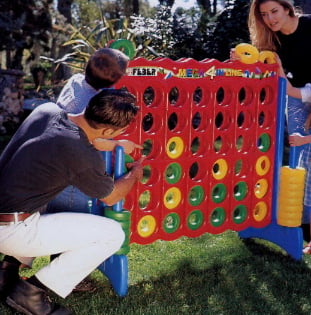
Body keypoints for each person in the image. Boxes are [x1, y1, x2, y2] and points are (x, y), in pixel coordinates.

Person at [0, 88, 144, 314]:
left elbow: (73, 138)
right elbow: (112, 195)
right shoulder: (81, 154)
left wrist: (113, 144)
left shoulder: (46, 111)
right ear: (107, 129)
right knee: (113, 234)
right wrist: (135, 173)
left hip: (6, 215)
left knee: (41, 193)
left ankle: (6, 272)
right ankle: (31, 294)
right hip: (13, 232)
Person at [248, 0, 311, 249]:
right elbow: (261, 72)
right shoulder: (271, 40)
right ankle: (301, 226)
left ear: (287, 8)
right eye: (264, 15)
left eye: (274, 11)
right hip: (295, 97)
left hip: (304, 93)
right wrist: (240, 59)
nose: (271, 19)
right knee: (299, 160)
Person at [48, 47, 141, 215]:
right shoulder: (91, 103)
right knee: (72, 214)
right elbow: (92, 139)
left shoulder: (76, 80)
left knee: (57, 212)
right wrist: (119, 145)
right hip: (74, 174)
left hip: (57, 163)